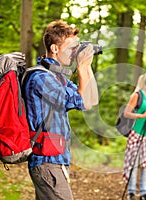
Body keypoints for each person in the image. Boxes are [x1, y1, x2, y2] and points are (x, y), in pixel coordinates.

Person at [23, 20, 98, 200]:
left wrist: (87, 66)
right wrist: (81, 67)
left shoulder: (58, 78)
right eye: (72, 47)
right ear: (55, 48)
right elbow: (80, 99)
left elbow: (90, 101)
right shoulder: (41, 78)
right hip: (46, 162)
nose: (75, 53)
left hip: (56, 161)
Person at [122, 70, 146, 200]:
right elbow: (126, 113)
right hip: (137, 133)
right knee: (133, 163)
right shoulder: (137, 95)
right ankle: (131, 192)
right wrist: (141, 115)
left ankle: (144, 192)